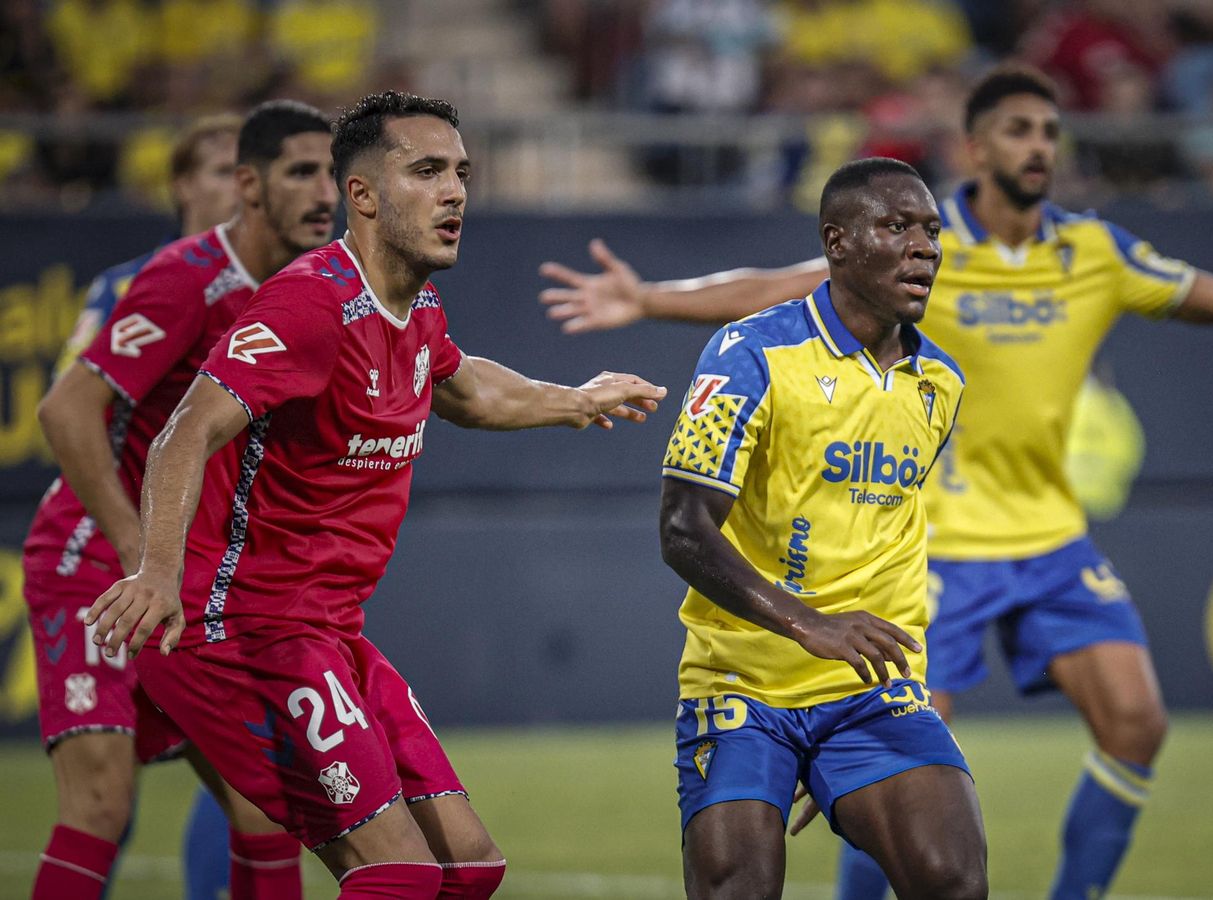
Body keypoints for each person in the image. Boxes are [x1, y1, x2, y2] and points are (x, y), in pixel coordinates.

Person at [540, 65, 1213, 900]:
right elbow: (760, 310)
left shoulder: (1041, 294)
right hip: (856, 606)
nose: (924, 249)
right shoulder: (803, 317)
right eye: (1017, 128)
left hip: (1024, 556)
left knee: (1101, 748)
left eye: (1050, 129)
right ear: (974, 146)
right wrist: (649, 298)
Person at [84, 90, 668, 900]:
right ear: (360, 195)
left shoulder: (414, 305)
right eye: (427, 171)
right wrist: (154, 569)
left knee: (469, 867)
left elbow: (465, 390)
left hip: (328, 633)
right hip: (246, 629)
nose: (456, 190)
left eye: (461, 171)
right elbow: (186, 429)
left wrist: (575, 399)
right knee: (398, 872)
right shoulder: (311, 303)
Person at [26, 102, 337, 900]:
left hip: (190, 573)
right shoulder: (186, 278)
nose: (325, 193)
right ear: (251, 187)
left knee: (266, 808)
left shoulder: (312, 294)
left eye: (333, 174)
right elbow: (65, 409)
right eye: (304, 171)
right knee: (99, 805)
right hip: (97, 555)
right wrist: (138, 552)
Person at [659, 156, 983, 899]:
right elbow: (682, 528)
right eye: (897, 227)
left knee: (954, 882)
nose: (925, 248)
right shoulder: (750, 355)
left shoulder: (941, 385)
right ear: (837, 242)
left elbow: (882, 535)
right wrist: (811, 626)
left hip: (870, 690)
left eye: (932, 231)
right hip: (744, 684)